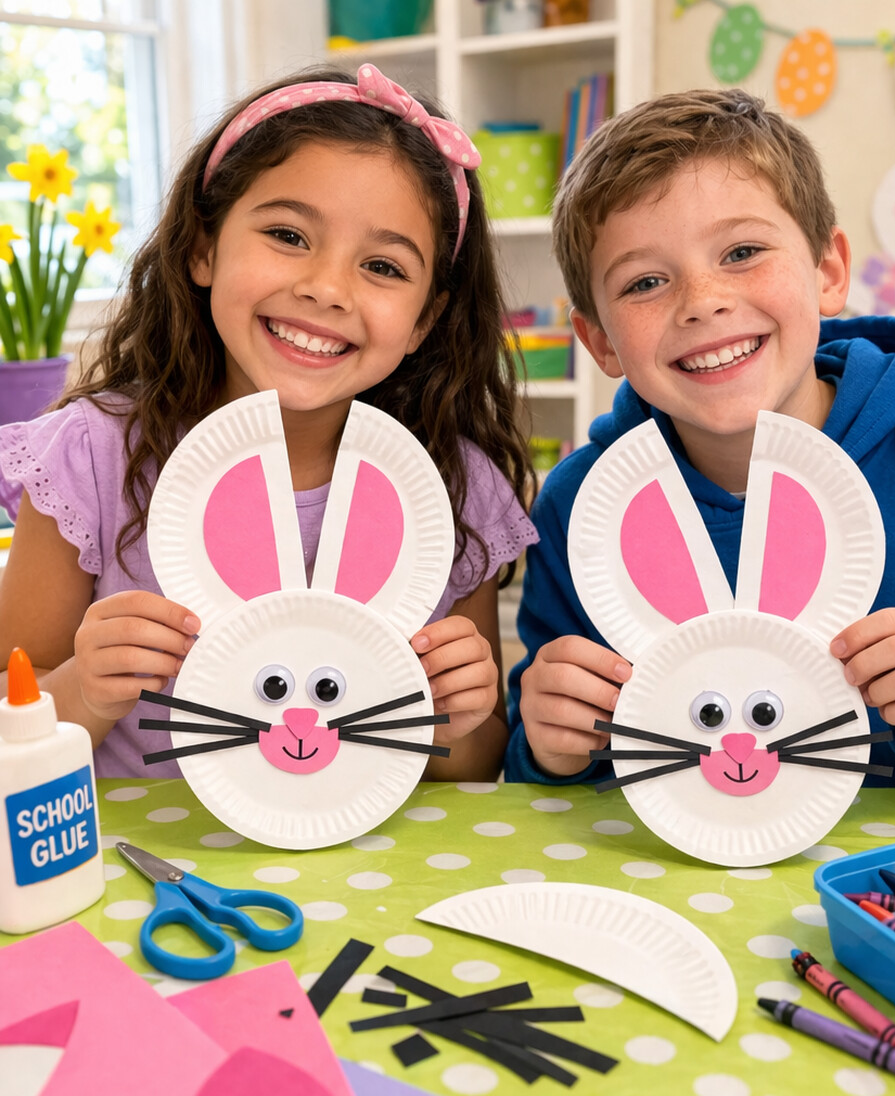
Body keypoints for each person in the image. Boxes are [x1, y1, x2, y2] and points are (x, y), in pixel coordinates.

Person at [0, 63, 537, 782]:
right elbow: (12, 715)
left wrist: (453, 715)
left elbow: (471, 766)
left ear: (424, 320)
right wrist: (84, 688)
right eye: (288, 234)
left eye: (383, 267)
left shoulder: (449, 485)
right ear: (203, 246)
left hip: (364, 849)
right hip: (143, 847)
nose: (326, 288)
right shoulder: (92, 458)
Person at [505, 87, 895, 791]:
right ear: (598, 340)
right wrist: (551, 747)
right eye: (646, 282)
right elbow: (544, 764)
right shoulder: (582, 506)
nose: (703, 302)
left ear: (828, 272)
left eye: (743, 251)